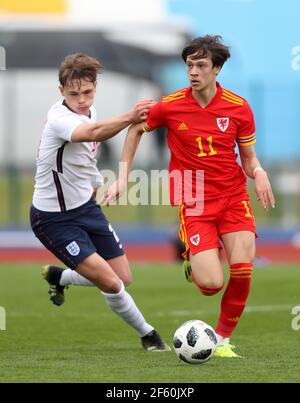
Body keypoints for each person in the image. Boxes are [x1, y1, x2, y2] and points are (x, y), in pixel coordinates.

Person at [102, 36, 275, 358]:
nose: (193, 72)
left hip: (233, 196)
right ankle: (194, 258)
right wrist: (124, 176)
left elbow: (249, 159)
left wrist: (260, 172)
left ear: (217, 69)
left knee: (242, 267)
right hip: (194, 199)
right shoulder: (170, 105)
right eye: (189, 65)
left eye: (201, 65)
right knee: (210, 285)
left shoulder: (238, 108)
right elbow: (136, 129)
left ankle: (222, 340)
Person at [30, 53, 170, 352]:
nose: (81, 100)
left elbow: (84, 154)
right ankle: (150, 336)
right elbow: (91, 134)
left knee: (123, 277)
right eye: (73, 94)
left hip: (86, 208)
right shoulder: (59, 119)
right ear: (61, 92)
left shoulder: (90, 111)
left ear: (95, 87)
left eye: (88, 92)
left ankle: (60, 276)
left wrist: (96, 184)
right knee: (111, 283)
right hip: (53, 219)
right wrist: (130, 116)